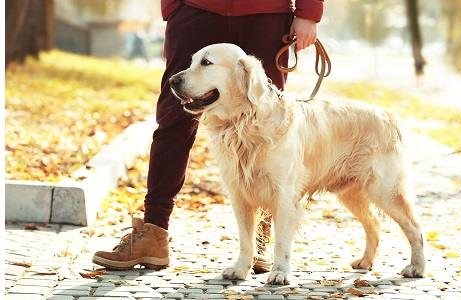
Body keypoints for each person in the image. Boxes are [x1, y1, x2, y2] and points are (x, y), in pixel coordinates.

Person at [92, 0, 324, 272]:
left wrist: (309, 12)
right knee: (174, 119)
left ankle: (260, 241)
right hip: (196, 11)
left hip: (267, 15)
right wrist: (174, 8)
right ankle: (154, 232)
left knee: (266, 123)